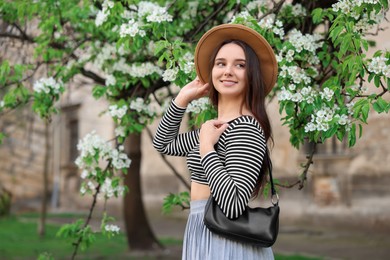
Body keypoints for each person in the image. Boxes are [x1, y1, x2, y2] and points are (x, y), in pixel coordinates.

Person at [153, 23, 278, 260]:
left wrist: (207, 149)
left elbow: (232, 205)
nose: (228, 71)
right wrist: (181, 100)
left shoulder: (246, 128)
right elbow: (163, 143)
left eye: (240, 65)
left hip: (226, 241)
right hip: (203, 229)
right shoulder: (216, 127)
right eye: (221, 63)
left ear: (252, 75)